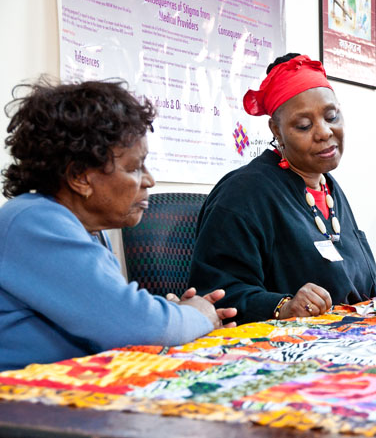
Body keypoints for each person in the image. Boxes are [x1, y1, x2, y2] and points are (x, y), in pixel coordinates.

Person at [0, 79, 237, 372]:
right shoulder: (34, 223)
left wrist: (171, 311)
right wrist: (198, 314)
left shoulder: (86, 229)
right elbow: (137, 327)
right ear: (80, 177)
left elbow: (113, 315)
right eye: (135, 167)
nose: (148, 180)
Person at [189, 53, 376, 324]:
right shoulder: (243, 194)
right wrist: (282, 306)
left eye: (332, 116)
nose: (324, 132)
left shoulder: (328, 187)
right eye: (304, 125)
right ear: (277, 131)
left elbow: (343, 278)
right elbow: (216, 295)